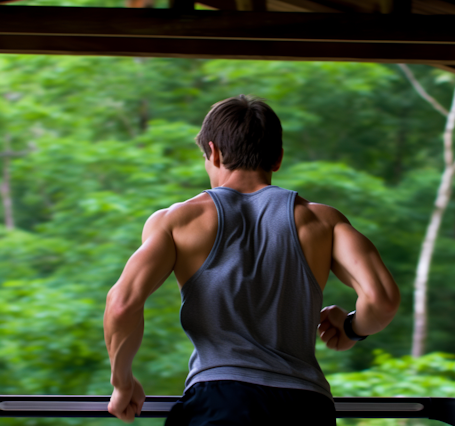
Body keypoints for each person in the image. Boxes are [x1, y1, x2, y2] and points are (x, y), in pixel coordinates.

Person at [103, 94, 401, 425]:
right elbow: (383, 301)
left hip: (220, 402)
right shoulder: (324, 222)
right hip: (306, 408)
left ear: (213, 152)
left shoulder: (177, 222)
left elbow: (121, 305)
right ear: (277, 158)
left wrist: (123, 382)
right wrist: (350, 329)